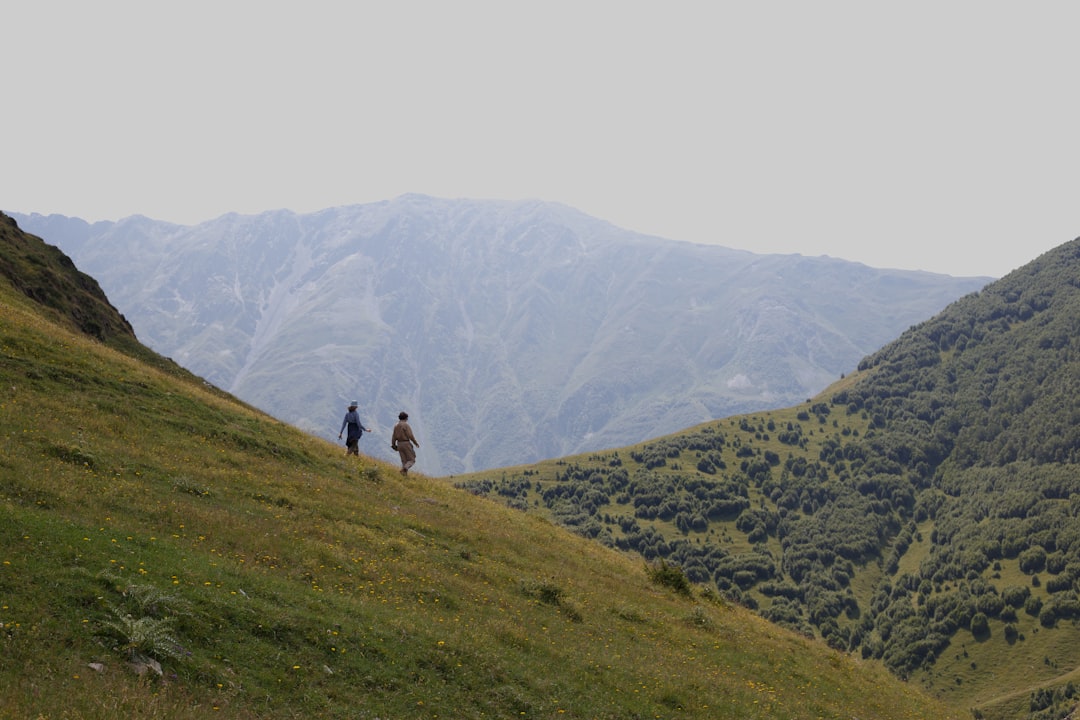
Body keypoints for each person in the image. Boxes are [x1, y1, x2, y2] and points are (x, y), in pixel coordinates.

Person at [390, 411, 420, 475]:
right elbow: (410, 435)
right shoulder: (405, 425)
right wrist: (415, 443)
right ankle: (405, 468)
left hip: (399, 444)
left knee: (404, 461)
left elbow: (393, 436)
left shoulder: (396, 425)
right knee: (412, 459)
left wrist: (393, 445)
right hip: (406, 443)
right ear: (406, 418)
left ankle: (404, 475)